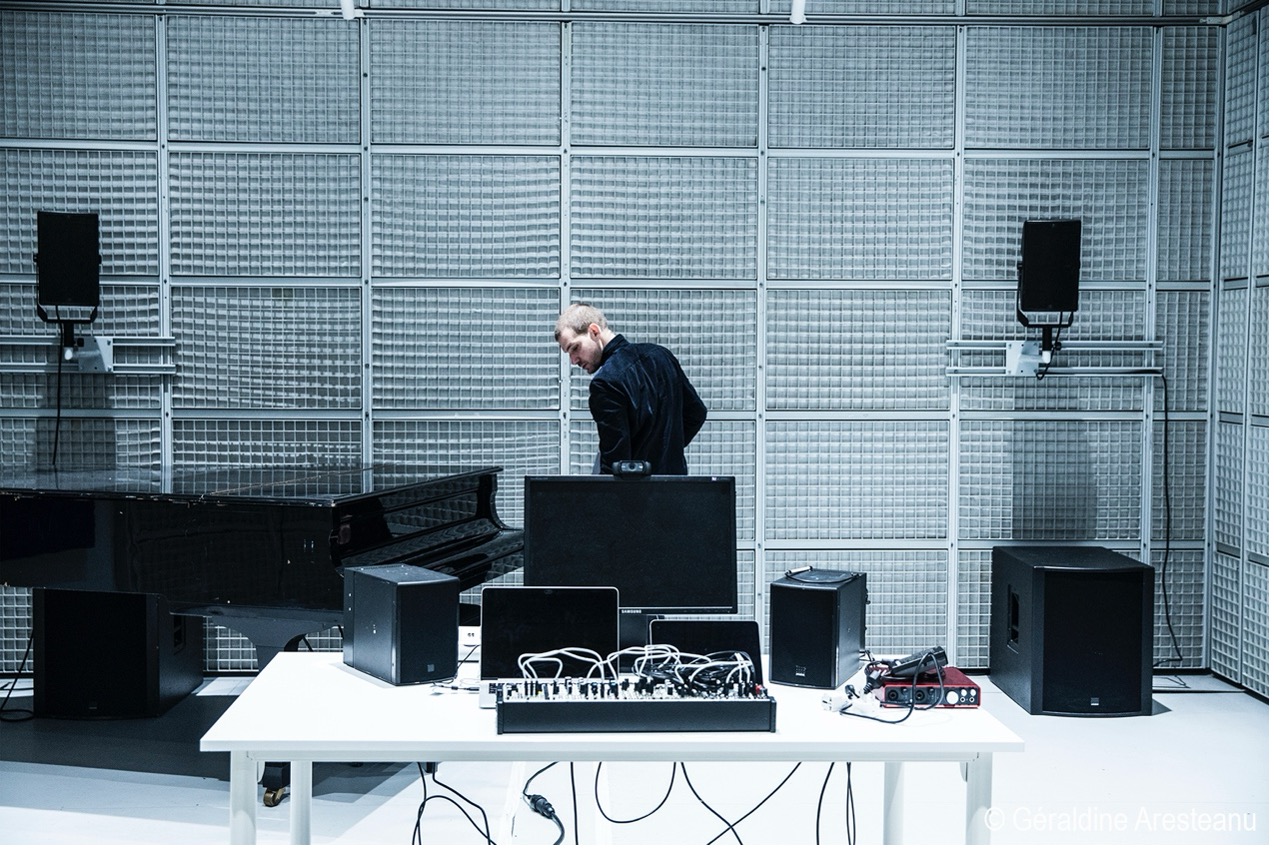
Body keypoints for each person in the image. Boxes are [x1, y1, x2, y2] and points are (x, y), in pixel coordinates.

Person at [554, 302, 707, 475]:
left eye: (575, 348)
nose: (574, 360)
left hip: (635, 494)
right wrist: (667, 450)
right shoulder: (661, 356)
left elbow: (614, 459)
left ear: (594, 331)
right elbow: (697, 413)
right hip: (675, 488)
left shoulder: (605, 382)